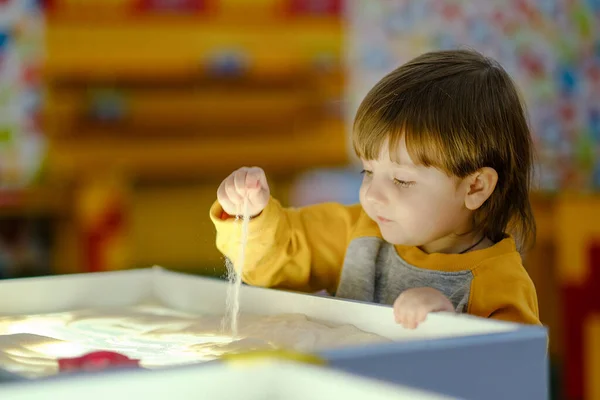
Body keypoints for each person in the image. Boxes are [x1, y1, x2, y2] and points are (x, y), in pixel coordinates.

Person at [210, 49, 540, 329]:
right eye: (368, 171)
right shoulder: (357, 230)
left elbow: (513, 372)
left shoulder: (499, 282)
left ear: (476, 187)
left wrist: (449, 327)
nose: (372, 195)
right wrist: (251, 214)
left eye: (402, 180)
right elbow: (278, 256)